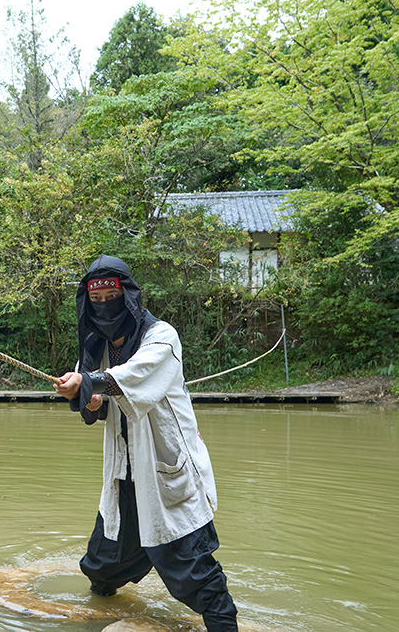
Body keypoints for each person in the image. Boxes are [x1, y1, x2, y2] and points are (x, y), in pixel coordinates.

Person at [54, 255, 238, 632]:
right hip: (124, 475)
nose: (104, 305)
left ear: (129, 296)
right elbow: (101, 401)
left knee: (199, 579)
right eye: (96, 298)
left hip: (166, 474)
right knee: (102, 568)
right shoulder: (95, 348)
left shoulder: (161, 337)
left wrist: (90, 383)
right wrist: (91, 400)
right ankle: (100, 617)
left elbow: (132, 378)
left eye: (111, 295)